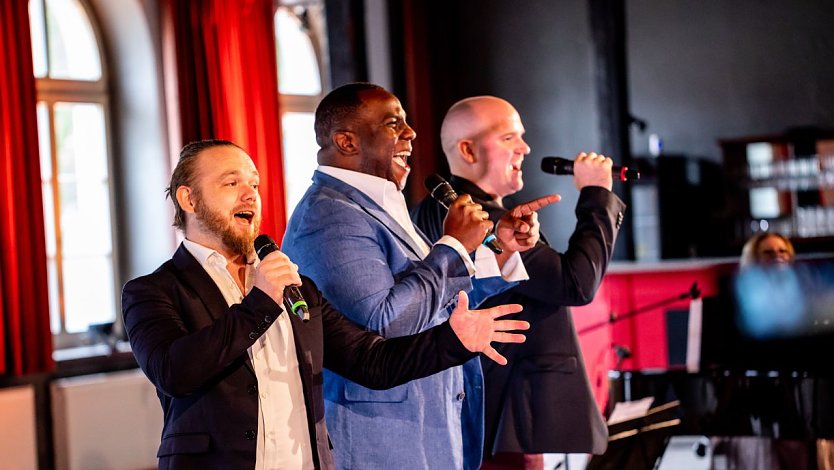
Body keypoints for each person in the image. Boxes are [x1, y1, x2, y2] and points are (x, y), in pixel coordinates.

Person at [121, 139, 531, 470]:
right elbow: (176, 372)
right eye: (231, 183)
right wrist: (262, 301)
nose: (250, 193)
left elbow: (374, 362)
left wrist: (453, 340)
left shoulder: (299, 288)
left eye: (255, 183)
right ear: (189, 200)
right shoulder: (153, 291)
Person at [281, 83, 556, 470]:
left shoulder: (374, 202)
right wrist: (453, 246)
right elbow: (387, 322)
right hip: (381, 440)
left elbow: (437, 304)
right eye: (395, 124)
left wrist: (499, 248)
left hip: (427, 430)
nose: (411, 134)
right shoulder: (328, 216)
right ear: (346, 141)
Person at [411, 96, 626, 469]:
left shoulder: (430, 210)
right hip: (502, 416)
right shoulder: (481, 221)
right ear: (467, 149)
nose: (525, 148)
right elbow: (575, 283)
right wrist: (597, 195)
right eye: (510, 138)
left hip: (472, 415)